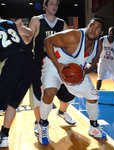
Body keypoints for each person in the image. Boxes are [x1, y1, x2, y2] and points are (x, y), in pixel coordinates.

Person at [38, 18, 107, 145]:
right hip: (54, 65)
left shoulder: (99, 45)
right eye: (92, 26)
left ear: (101, 32)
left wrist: (84, 73)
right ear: (87, 26)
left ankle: (93, 127)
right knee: (49, 92)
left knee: (93, 96)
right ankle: (42, 124)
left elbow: (92, 64)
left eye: (97, 28)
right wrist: (58, 66)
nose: (93, 29)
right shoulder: (74, 36)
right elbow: (48, 41)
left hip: (74, 70)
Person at [22, 0, 76, 136]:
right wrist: (21, 31)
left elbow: (68, 44)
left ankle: (62, 112)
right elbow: (28, 39)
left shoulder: (61, 23)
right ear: (45, 6)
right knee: (38, 94)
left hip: (57, 63)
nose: (54, 7)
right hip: (38, 63)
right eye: (51, 4)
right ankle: (38, 122)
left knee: (69, 93)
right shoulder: (37, 20)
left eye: (56, 5)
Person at [0, 18, 34, 147]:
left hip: (12, 62)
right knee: (13, 103)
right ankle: (4, 136)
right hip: (28, 60)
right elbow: (29, 34)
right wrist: (18, 27)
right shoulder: (9, 24)